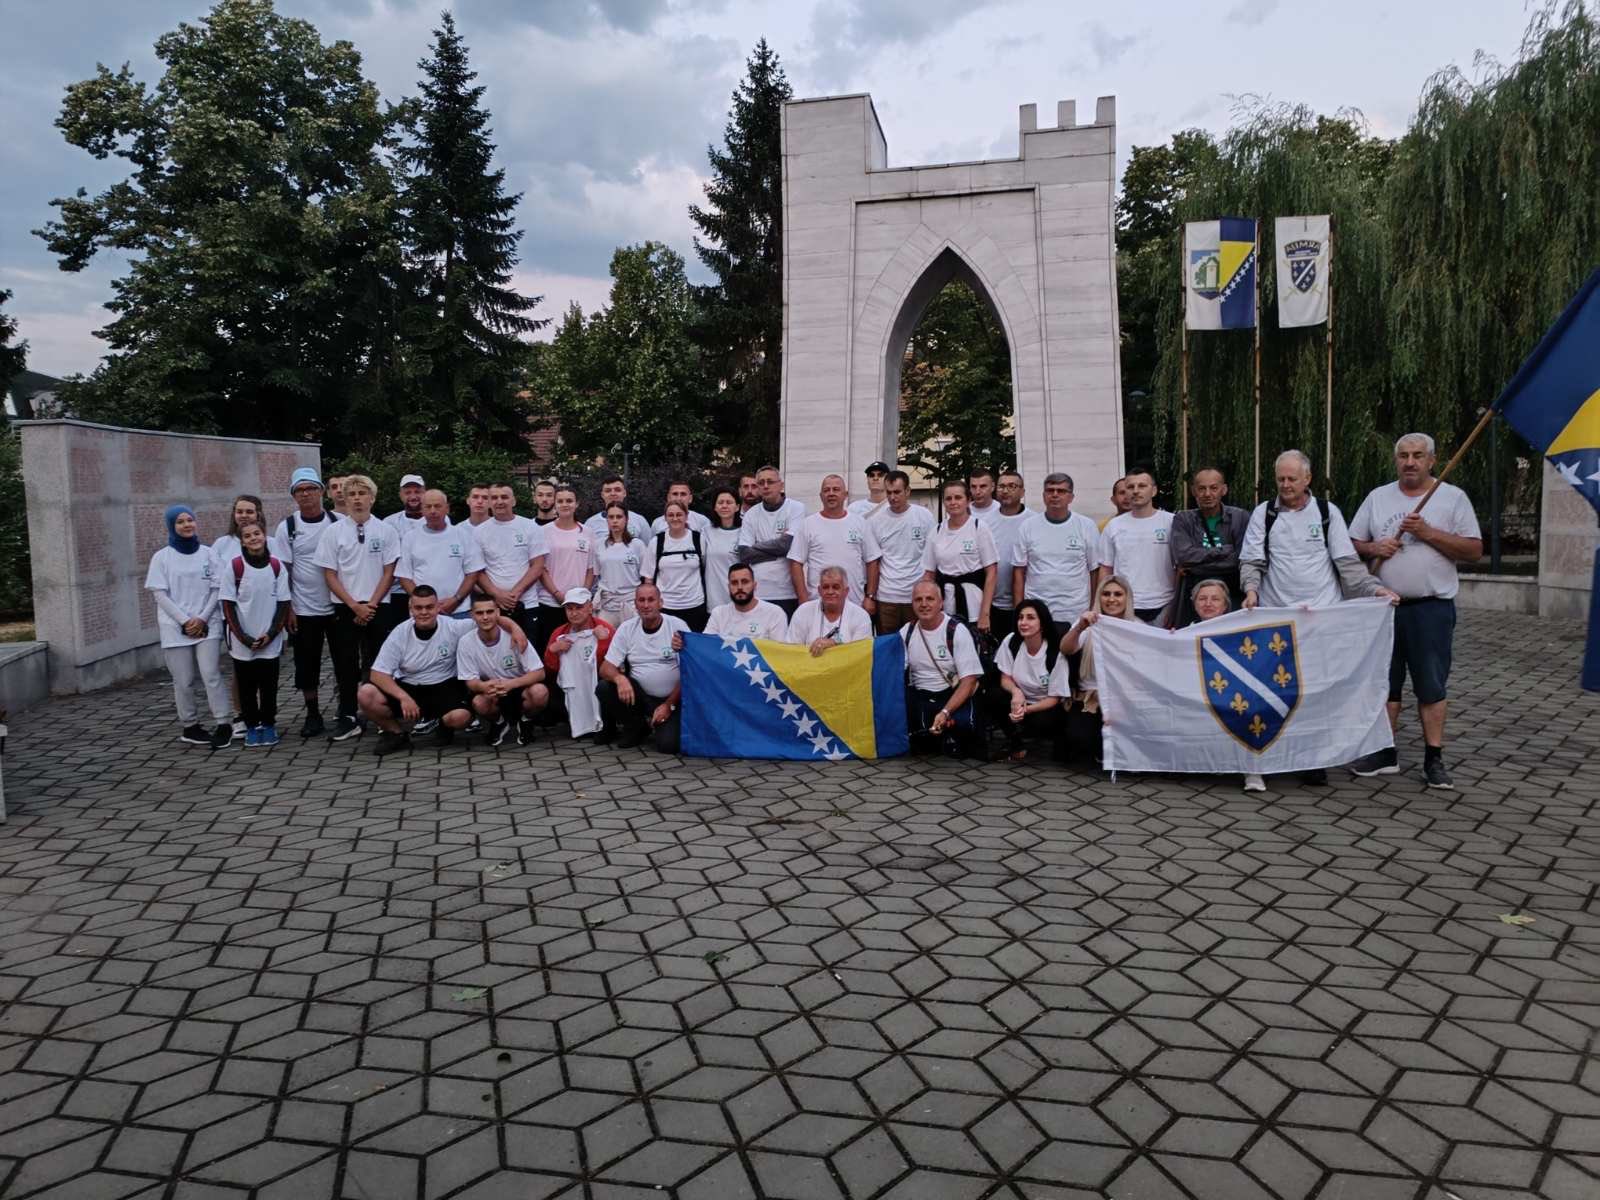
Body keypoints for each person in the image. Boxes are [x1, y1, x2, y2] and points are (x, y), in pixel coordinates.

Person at [1239, 450, 1398, 787]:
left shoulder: (1327, 513)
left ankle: (1313, 758)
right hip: (1278, 620)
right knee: (1279, 690)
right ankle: (1275, 753)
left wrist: (1375, 589)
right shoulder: (1264, 514)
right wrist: (1251, 591)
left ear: (1307, 479)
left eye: (1292, 479)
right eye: (1280, 479)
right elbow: (1252, 561)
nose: (1285, 485)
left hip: (1322, 620)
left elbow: (1347, 564)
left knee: (1317, 692)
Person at [1348, 433, 1483, 789]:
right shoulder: (1378, 497)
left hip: (1430, 609)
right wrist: (1374, 547)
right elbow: (1352, 542)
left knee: (1430, 684)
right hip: (1383, 607)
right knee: (1385, 682)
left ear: (1432, 460)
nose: (1410, 462)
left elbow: (1473, 551)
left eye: (1418, 455)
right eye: (1404, 455)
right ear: (1396, 460)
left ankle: (1433, 758)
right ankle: (1385, 751)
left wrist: (1428, 533)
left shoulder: (1452, 498)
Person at [314, 474, 401, 742]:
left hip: (378, 606)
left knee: (378, 664)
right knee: (346, 665)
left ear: (372, 498)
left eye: (362, 493)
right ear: (345, 499)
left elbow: (389, 571)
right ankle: (348, 716)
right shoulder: (333, 532)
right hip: (346, 607)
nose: (357, 499)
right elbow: (329, 574)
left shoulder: (386, 530)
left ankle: (380, 713)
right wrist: (354, 606)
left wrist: (371, 604)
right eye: (351, 494)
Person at [358, 585, 481, 756]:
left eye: (429, 607)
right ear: (411, 609)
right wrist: (404, 697)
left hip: (444, 686)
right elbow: (377, 674)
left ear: (438, 608)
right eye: (418, 608)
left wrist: (515, 630)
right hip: (410, 686)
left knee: (461, 717)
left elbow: (489, 621)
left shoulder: (453, 626)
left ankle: (444, 726)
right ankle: (395, 733)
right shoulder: (400, 632)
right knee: (366, 694)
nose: (424, 612)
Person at [147, 504, 231, 750]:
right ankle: (190, 726)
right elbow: (159, 594)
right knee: (183, 680)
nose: (187, 525)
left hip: (207, 624)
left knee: (211, 674)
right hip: (175, 627)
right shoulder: (162, 557)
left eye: (190, 520)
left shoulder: (208, 554)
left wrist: (202, 619)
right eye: (180, 521)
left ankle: (223, 723)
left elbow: (217, 587)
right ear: (171, 526)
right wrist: (185, 621)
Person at [273, 467, 340, 737]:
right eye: (300, 490)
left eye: (311, 488)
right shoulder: (287, 527)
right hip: (303, 608)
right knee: (306, 663)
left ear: (321, 491)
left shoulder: (337, 522)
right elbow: (284, 571)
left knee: (344, 661)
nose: (306, 494)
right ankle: (313, 714)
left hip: (337, 605)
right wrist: (288, 608)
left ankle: (346, 710)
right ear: (293, 495)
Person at [1183, 579, 1266, 791]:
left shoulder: (1240, 631)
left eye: (1215, 599)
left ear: (1225, 604)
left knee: (1250, 708)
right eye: (1202, 598)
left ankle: (1252, 770)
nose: (1208, 603)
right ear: (1194, 603)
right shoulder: (1183, 635)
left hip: (1234, 693)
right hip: (1196, 693)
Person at [220, 521, 291, 747]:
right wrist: (243, 638)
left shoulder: (276, 566)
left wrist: (271, 634)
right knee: (246, 687)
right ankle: (251, 727)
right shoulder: (234, 567)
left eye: (257, 533)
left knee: (269, 686)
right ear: (242, 541)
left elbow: (283, 604)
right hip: (242, 641)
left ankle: (268, 725)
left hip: (269, 640)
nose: (253, 538)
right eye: (248, 536)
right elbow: (228, 606)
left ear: (264, 535)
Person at [1058, 574, 1138, 766]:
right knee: (1079, 740)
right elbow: (1065, 648)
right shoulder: (1088, 624)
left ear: (1127, 598)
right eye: (1106, 594)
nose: (1111, 599)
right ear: (1098, 597)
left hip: (1123, 699)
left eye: (1118, 594)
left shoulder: (1138, 628)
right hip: (1090, 699)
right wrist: (1079, 627)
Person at [1014, 473, 1101, 648]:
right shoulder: (1027, 527)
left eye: (1061, 491)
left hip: (1075, 611)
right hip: (1038, 612)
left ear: (1071, 497)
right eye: (1050, 490)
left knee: (1073, 658)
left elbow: (1095, 571)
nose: (1055, 495)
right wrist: (1020, 610)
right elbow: (1018, 572)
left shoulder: (1086, 526)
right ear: (1043, 495)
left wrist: (1093, 607)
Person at [598, 582, 687, 753]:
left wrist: (669, 704)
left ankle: (664, 720)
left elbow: (690, 673)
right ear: (635, 604)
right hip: (640, 696)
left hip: (672, 699)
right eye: (641, 600)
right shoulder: (627, 628)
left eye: (651, 600)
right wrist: (619, 678)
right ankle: (636, 727)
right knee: (604, 687)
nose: (646, 605)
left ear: (660, 603)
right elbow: (605, 668)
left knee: (668, 746)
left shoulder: (677, 626)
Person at [902, 579, 984, 758]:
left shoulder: (956, 631)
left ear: (941, 603)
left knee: (965, 728)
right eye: (918, 599)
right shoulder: (906, 632)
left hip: (952, 694)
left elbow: (969, 681)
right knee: (920, 737)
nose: (924, 604)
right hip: (921, 695)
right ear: (912, 604)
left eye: (930, 599)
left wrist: (946, 712)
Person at [458, 592, 550, 747]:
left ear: (498, 613)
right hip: (493, 691)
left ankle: (526, 721)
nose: (485, 617)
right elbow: (470, 681)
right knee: (479, 702)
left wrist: (511, 684)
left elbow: (540, 673)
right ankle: (499, 723)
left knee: (540, 692)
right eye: (480, 613)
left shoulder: (515, 636)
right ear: (472, 615)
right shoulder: (465, 642)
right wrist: (484, 686)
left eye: (489, 612)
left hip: (519, 688)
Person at [990, 599, 1069, 763]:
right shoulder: (1011, 641)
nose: (1023, 622)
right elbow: (1005, 677)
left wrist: (1026, 710)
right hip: (1020, 701)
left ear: (1042, 624)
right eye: (1020, 617)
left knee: (1044, 723)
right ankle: (1015, 743)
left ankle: (1051, 741)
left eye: (1031, 618)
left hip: (1046, 705)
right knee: (994, 695)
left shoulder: (1055, 652)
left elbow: (1055, 698)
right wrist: (1016, 692)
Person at [787, 474, 882, 609]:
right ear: (821, 496)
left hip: (855, 603)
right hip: (818, 604)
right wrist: (803, 598)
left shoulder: (860, 523)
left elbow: (872, 561)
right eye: (826, 490)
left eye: (836, 489)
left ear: (845, 495)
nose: (831, 493)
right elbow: (796, 563)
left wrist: (870, 596)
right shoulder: (807, 524)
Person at [1170, 466, 1250, 624]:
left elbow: (1240, 559)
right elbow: (1183, 557)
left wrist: (1197, 565)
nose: (1207, 494)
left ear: (1224, 489)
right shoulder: (1183, 519)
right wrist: (1224, 550)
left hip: (1233, 591)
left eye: (1214, 488)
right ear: (1194, 491)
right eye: (1202, 488)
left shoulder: (1240, 517)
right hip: (1193, 593)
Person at [1098, 469, 1176, 625]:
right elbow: (1106, 568)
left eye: (1142, 486)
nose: (1135, 491)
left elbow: (1181, 567)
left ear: (1154, 491)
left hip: (1165, 604)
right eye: (1130, 487)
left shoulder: (1171, 521)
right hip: (1125, 606)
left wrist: (1176, 604)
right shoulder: (1113, 526)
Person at [475, 481, 548, 642]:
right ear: (489, 502)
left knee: (527, 651)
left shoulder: (531, 527)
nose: (499, 501)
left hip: (527, 604)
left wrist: (515, 593)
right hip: (494, 607)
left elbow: (538, 565)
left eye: (504, 497)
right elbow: (478, 571)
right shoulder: (479, 532)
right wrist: (497, 594)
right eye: (494, 498)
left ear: (513, 501)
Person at [921, 480, 998, 634]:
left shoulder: (979, 528)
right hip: (945, 603)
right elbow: (929, 575)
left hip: (974, 604)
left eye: (958, 497)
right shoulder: (936, 531)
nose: (953, 502)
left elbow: (992, 572)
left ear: (968, 500)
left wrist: (985, 613)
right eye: (948, 498)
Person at [396, 489, 484, 620]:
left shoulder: (462, 535)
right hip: (423, 613)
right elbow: (404, 577)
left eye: (437, 506)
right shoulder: (410, 538)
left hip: (459, 610)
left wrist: (456, 599)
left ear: (447, 508)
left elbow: (472, 573)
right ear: (422, 510)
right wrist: (425, 603)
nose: (433, 511)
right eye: (428, 506)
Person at [542, 587, 615, 739]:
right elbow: (550, 671)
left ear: (590, 608)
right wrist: (553, 650)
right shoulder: (559, 634)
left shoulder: (605, 629)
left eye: (579, 607)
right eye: (569, 608)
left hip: (598, 681)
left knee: (605, 686)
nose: (574, 613)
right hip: (572, 687)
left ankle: (607, 724)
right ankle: (571, 720)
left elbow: (611, 665)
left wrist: (603, 642)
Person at [868, 469, 935, 634]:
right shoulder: (875, 521)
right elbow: (873, 562)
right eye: (889, 492)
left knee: (916, 642)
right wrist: (871, 596)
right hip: (887, 596)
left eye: (897, 492)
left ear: (908, 491)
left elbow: (932, 556)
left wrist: (929, 588)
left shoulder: (924, 516)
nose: (892, 497)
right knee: (888, 644)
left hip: (916, 596)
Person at [533, 485, 597, 656]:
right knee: (551, 652)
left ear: (577, 504)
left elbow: (591, 569)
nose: (565, 504)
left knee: (579, 653)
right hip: (550, 602)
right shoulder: (543, 532)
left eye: (569, 500)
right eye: (560, 501)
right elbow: (541, 569)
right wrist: (557, 594)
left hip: (578, 606)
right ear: (554, 504)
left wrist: (581, 596)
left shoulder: (588, 532)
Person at [738, 464, 808, 616]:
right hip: (759, 593)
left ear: (781, 485)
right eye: (761, 483)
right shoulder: (751, 514)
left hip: (788, 592)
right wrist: (779, 548)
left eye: (770, 482)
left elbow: (787, 545)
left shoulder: (796, 508)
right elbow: (744, 554)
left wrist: (756, 545)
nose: (765, 486)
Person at [642, 500, 708, 631]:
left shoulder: (698, 539)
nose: (675, 518)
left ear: (686, 516)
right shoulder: (657, 542)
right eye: (671, 515)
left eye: (679, 514)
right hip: (666, 606)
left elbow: (704, 567)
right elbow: (648, 578)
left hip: (695, 605)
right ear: (665, 518)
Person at [984, 470, 1033, 644]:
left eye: (1012, 486)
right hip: (993, 604)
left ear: (1022, 491)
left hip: (1027, 603)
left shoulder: (1033, 521)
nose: (1006, 490)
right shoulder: (985, 523)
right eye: (1002, 486)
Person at [787, 566, 874, 654]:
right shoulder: (803, 611)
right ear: (819, 590)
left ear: (846, 591)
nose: (830, 592)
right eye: (825, 587)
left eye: (836, 587)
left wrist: (835, 644)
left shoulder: (861, 616)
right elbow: (792, 649)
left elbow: (860, 653)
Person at [382, 473, 428, 629]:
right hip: (396, 593)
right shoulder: (389, 523)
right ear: (400, 495)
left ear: (425, 493)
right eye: (408, 492)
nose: (413, 496)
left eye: (417, 491)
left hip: (429, 591)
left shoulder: (439, 520)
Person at [705, 563, 789, 641]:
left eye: (745, 582)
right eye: (734, 583)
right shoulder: (718, 613)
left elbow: (779, 650)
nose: (740, 587)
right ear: (729, 587)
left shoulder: (774, 613)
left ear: (754, 585)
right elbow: (706, 644)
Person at [595, 502, 644, 628]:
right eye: (611, 517)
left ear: (626, 519)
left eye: (619, 517)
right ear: (607, 520)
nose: (615, 521)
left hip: (631, 605)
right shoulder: (599, 545)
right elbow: (595, 575)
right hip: (607, 606)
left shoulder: (637, 545)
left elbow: (646, 577)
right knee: (605, 638)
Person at [211, 494, 285, 567]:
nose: (244, 515)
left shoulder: (273, 544)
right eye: (239, 512)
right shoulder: (221, 544)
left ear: (258, 515)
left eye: (249, 512)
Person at [702, 487, 743, 612]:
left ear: (737, 507)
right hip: (715, 599)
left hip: (740, 595)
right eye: (720, 502)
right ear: (715, 507)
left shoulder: (745, 531)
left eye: (729, 502)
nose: (724, 506)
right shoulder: (706, 531)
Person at [582, 475, 650, 542]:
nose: (613, 493)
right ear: (602, 495)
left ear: (624, 493)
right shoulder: (591, 523)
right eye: (608, 491)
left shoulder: (639, 521)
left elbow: (648, 547)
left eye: (617, 490)